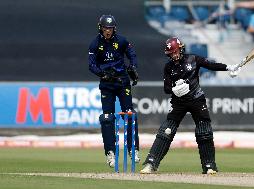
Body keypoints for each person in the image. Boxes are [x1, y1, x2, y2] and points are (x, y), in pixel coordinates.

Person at [140, 37, 241, 174]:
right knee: (166, 131)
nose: (174, 55)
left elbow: (211, 65)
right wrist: (174, 89)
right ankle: (151, 164)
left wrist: (229, 67)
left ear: (181, 49)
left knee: (204, 131)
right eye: (171, 53)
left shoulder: (193, 59)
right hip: (178, 102)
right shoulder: (168, 67)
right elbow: (166, 88)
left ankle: (209, 166)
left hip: (196, 99)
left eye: (175, 52)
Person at [88, 14, 140, 168]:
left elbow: (132, 55)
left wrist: (133, 67)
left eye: (110, 28)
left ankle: (133, 149)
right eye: (105, 28)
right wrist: (102, 73)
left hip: (122, 82)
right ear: (100, 28)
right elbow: (91, 65)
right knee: (107, 118)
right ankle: (110, 152)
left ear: (114, 28)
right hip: (107, 84)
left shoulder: (122, 40)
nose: (108, 31)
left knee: (130, 115)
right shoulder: (95, 44)